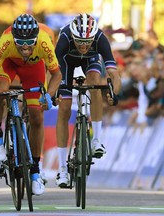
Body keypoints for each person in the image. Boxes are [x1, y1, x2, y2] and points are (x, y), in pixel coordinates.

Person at [0, 14, 62, 195]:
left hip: (34, 68)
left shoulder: (44, 42)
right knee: (0, 90)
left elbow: (56, 75)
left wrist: (48, 95)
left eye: (29, 43)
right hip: (9, 64)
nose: (25, 47)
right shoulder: (7, 41)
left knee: (37, 117)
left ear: (36, 38)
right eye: (20, 43)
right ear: (14, 39)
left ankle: (35, 173)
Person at [54, 13, 121, 188]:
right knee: (65, 108)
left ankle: (96, 140)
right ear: (73, 36)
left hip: (90, 62)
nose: (84, 46)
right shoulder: (64, 39)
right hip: (66, 62)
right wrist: (53, 93)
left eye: (87, 42)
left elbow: (114, 74)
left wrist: (115, 94)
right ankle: (62, 169)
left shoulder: (100, 38)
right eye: (80, 42)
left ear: (93, 37)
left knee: (95, 83)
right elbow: (53, 73)